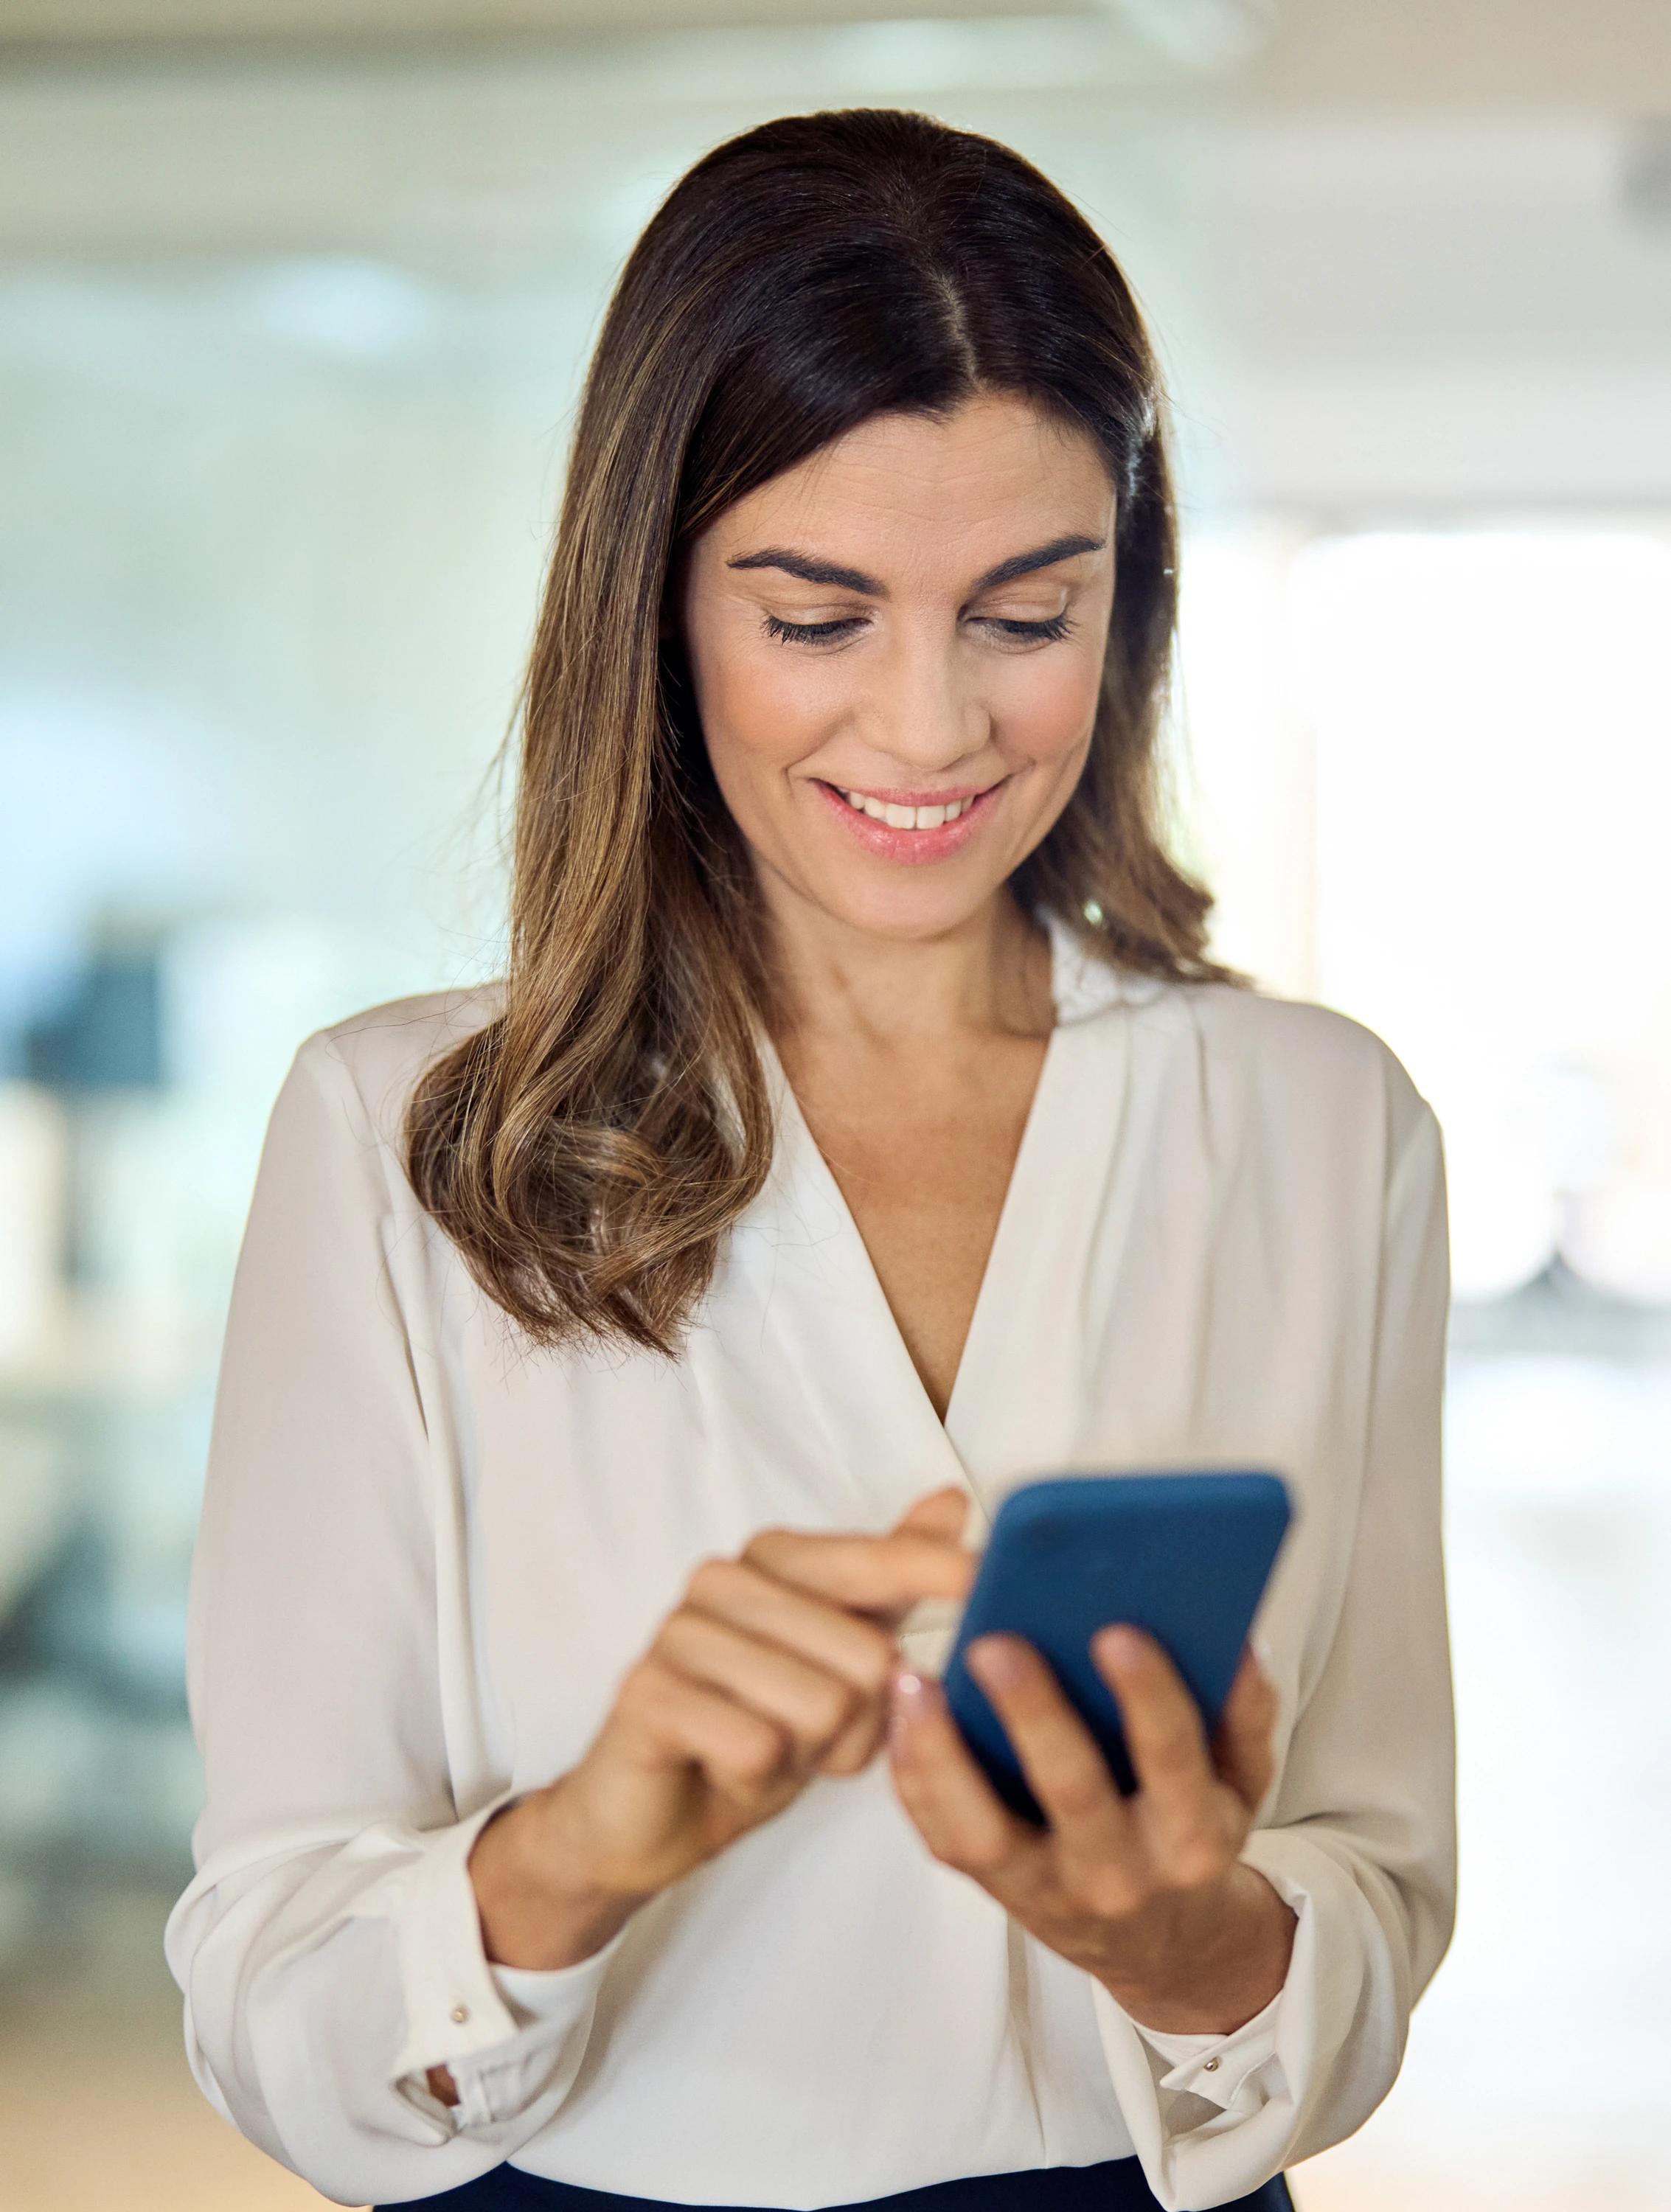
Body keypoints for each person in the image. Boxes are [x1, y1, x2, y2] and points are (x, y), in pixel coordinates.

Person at [165, 108, 1453, 2212]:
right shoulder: (401, 1136)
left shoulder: (1317, 1124)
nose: (932, 730)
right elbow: (267, 1998)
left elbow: (1380, 1893)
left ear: (1127, 606)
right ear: (655, 605)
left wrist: (1182, 1942)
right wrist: (574, 1853)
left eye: (1026, 614)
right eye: (819, 615)